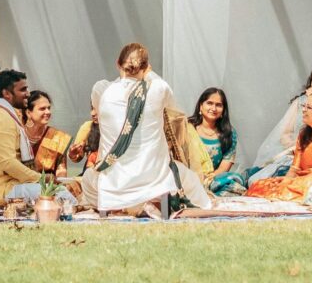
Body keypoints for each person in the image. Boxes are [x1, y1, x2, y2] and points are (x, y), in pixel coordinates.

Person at [93, 43, 211, 213]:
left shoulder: (102, 90)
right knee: (188, 176)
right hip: (155, 178)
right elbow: (176, 113)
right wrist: (148, 74)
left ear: (118, 64)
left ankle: (120, 209)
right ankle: (192, 207)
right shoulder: (159, 88)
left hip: (114, 180)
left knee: (91, 177)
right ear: (147, 67)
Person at [0, 68, 73, 207]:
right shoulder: (2, 119)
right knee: (61, 194)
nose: (27, 94)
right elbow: (7, 162)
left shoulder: (4, 114)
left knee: (61, 193)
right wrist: (41, 179)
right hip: (0, 191)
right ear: (6, 94)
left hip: (9, 186)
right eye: (23, 90)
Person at [248, 62, 312, 184]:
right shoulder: (300, 102)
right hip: (294, 154)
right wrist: (296, 148)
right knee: (255, 180)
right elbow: (285, 134)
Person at [188, 87, 245, 194]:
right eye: (209, 103)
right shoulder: (187, 128)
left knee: (235, 180)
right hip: (189, 178)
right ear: (201, 106)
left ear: (223, 110)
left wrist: (210, 178)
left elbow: (225, 164)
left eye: (218, 105)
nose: (213, 108)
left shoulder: (229, 134)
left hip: (213, 179)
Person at [23, 90, 70, 178]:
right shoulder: (18, 135)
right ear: (28, 113)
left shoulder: (58, 137)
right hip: (20, 186)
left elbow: (61, 170)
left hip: (48, 187)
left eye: (49, 108)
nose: (48, 112)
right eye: (42, 109)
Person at [68, 80, 110, 173]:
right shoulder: (88, 127)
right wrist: (73, 154)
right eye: (91, 108)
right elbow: (77, 157)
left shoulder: (121, 127)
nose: (92, 113)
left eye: (96, 108)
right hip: (91, 171)